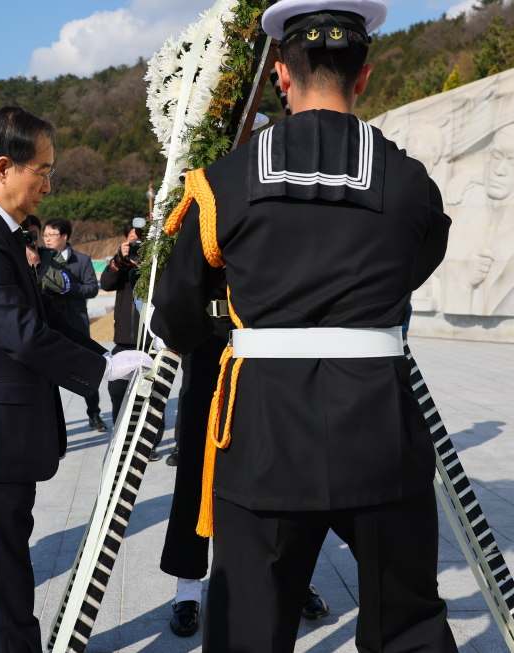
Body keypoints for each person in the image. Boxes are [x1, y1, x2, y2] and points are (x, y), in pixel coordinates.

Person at [150, 1, 458, 651]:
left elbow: (175, 315)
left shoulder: (222, 186)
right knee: (408, 629)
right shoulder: (409, 184)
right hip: (379, 429)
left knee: (249, 635)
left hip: (261, 437)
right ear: (364, 76)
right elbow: (417, 266)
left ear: (281, 78)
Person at [0, 105, 151, 653]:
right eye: (41, 170)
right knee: (9, 591)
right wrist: (101, 369)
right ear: (2, 168)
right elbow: (20, 333)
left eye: (49, 171)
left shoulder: (0, 232)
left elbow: (39, 320)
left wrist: (102, 352)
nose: (47, 183)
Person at [160, 279, 329, 638]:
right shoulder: (198, 219)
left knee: (279, 468)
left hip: (272, 343)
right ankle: (188, 588)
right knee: (195, 472)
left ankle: (293, 579)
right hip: (206, 339)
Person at [100, 219, 166, 459]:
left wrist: (149, 261)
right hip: (125, 340)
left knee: (153, 392)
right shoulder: (122, 264)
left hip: (151, 340)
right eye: (132, 241)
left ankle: (151, 443)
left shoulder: (157, 263)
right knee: (117, 388)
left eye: (142, 241)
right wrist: (120, 259)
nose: (137, 245)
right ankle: (122, 436)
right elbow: (106, 283)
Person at [43, 218, 107, 432]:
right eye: (45, 235)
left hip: (77, 323)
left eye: (51, 235)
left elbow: (92, 289)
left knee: (88, 368)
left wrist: (65, 286)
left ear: (64, 236)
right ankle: (51, 421)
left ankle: (95, 415)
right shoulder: (42, 260)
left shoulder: (82, 260)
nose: (47, 239)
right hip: (51, 325)